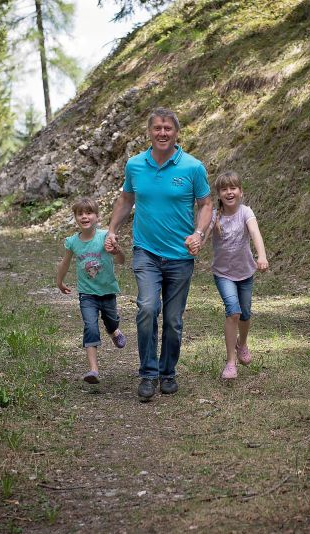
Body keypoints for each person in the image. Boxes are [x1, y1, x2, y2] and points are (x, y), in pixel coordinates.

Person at [105, 107, 212, 402]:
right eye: (157, 128)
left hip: (180, 255)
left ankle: (168, 373)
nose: (162, 133)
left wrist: (199, 234)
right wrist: (112, 230)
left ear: (176, 132)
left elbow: (205, 204)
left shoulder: (193, 167)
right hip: (146, 252)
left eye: (168, 128)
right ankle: (148, 374)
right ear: (149, 132)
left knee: (174, 320)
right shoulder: (135, 165)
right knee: (148, 308)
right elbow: (127, 199)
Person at [205, 171, 268, 380]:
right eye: (224, 189)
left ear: (240, 191)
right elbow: (203, 234)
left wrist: (262, 256)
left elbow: (255, 233)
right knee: (233, 312)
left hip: (245, 272)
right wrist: (196, 242)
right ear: (219, 194)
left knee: (245, 313)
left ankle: (242, 343)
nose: (229, 192)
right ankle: (231, 362)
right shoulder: (215, 216)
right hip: (223, 274)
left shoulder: (246, 212)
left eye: (233, 188)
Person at [56, 197, 127, 384]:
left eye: (89, 213)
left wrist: (117, 251)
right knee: (90, 327)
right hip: (87, 294)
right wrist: (59, 281)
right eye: (80, 214)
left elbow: (122, 261)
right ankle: (93, 370)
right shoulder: (72, 242)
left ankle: (113, 332)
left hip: (108, 291)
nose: (84, 216)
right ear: (76, 218)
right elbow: (65, 263)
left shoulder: (105, 237)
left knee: (111, 321)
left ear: (97, 217)